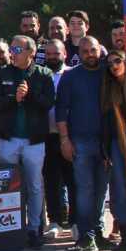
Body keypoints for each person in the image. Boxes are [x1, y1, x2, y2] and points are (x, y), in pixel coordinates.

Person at [0, 35, 54, 250]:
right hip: (8, 139)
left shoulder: (44, 74)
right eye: (12, 50)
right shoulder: (4, 72)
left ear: (30, 52)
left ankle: (34, 229)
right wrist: (12, 99)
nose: (12, 54)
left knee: (35, 185)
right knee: (8, 185)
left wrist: (29, 95)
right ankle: (8, 228)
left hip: (34, 141)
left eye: (17, 50)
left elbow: (48, 103)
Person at [56, 35, 108, 251]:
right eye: (85, 51)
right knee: (85, 190)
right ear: (79, 54)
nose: (89, 55)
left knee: (101, 191)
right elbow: (61, 112)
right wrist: (65, 140)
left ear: (99, 51)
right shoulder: (70, 77)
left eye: (93, 50)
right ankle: (85, 236)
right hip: (80, 142)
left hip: (106, 142)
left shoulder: (108, 75)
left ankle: (98, 233)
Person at [40, 39, 75, 239]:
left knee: (73, 181)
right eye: (49, 54)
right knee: (51, 181)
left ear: (65, 54)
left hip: (70, 136)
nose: (52, 57)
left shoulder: (73, 74)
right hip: (47, 136)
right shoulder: (40, 74)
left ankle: (76, 221)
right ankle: (55, 221)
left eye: (56, 53)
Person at [102, 49, 126, 251]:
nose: (113, 65)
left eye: (118, 61)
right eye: (110, 63)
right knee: (119, 189)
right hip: (117, 143)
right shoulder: (108, 88)